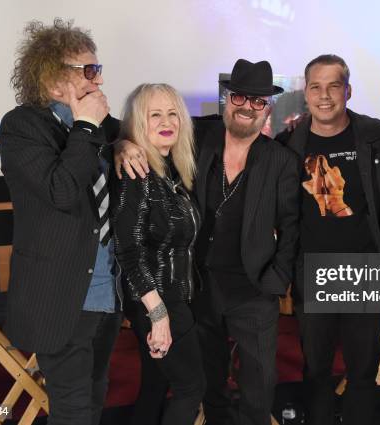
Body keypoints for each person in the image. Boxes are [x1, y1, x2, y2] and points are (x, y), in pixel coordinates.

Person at [116, 59, 300, 425]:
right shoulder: (196, 135)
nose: (248, 107)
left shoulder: (281, 159)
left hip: (253, 286)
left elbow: (291, 227)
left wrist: (276, 278)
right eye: (240, 98)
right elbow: (139, 129)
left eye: (258, 101)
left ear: (268, 108)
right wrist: (123, 143)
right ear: (227, 100)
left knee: (259, 381)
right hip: (197, 285)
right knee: (208, 379)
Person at [0, 19, 122, 425]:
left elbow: (133, 136)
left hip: (105, 292)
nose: (98, 80)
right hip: (60, 296)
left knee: (96, 394)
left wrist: (126, 141)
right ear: (54, 82)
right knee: (72, 411)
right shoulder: (22, 126)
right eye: (87, 71)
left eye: (98, 68)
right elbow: (63, 192)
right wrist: (86, 126)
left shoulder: (103, 128)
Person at [277, 54, 380, 425]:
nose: (324, 95)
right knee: (317, 373)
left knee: (362, 373)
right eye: (315, 86)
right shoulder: (287, 144)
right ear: (306, 93)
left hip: (366, 274)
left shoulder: (379, 137)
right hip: (313, 275)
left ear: (348, 90)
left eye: (333, 86)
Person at [112, 83, 206, 425]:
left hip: (170, 297)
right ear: (138, 123)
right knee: (191, 388)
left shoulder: (171, 172)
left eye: (172, 113)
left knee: (155, 384)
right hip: (158, 300)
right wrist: (158, 314)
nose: (166, 121)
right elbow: (129, 249)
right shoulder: (136, 174)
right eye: (155, 115)